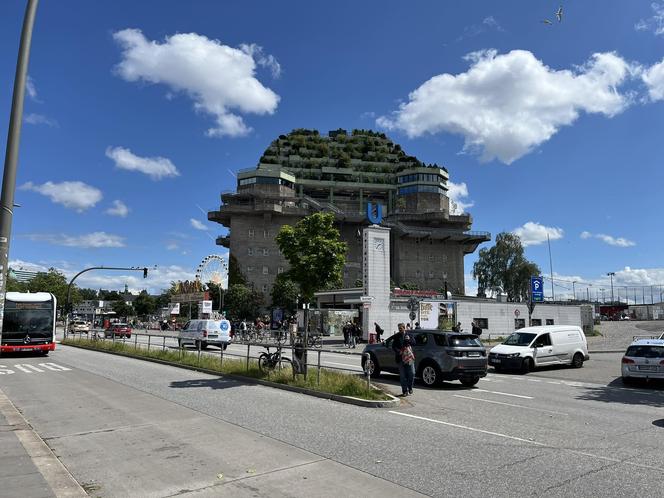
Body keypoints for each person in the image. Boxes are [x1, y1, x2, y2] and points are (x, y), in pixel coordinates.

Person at [392, 323, 415, 396]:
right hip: (400, 358)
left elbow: (414, 343)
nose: (399, 330)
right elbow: (394, 346)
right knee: (402, 376)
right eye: (399, 329)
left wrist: (409, 340)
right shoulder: (396, 336)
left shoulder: (409, 335)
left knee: (412, 373)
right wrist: (399, 351)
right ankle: (405, 391)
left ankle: (410, 387)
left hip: (409, 357)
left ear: (404, 328)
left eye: (401, 328)